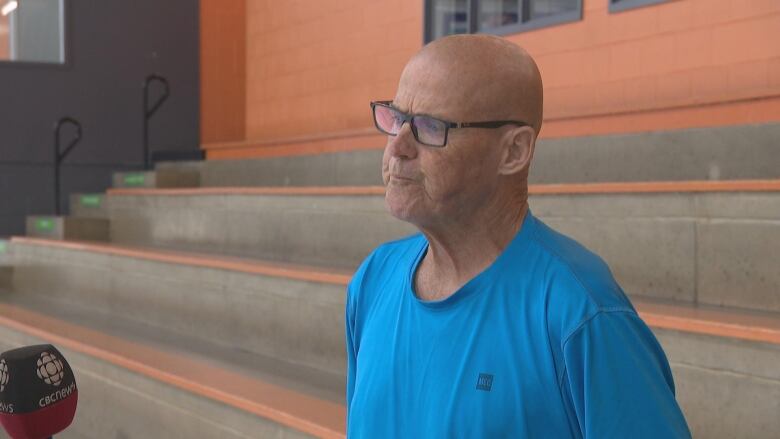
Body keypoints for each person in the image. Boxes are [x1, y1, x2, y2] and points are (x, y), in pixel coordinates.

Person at [345, 34, 691, 438]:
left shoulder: (579, 311)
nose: (398, 147)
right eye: (395, 118)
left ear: (513, 151)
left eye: (428, 127)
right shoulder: (373, 281)